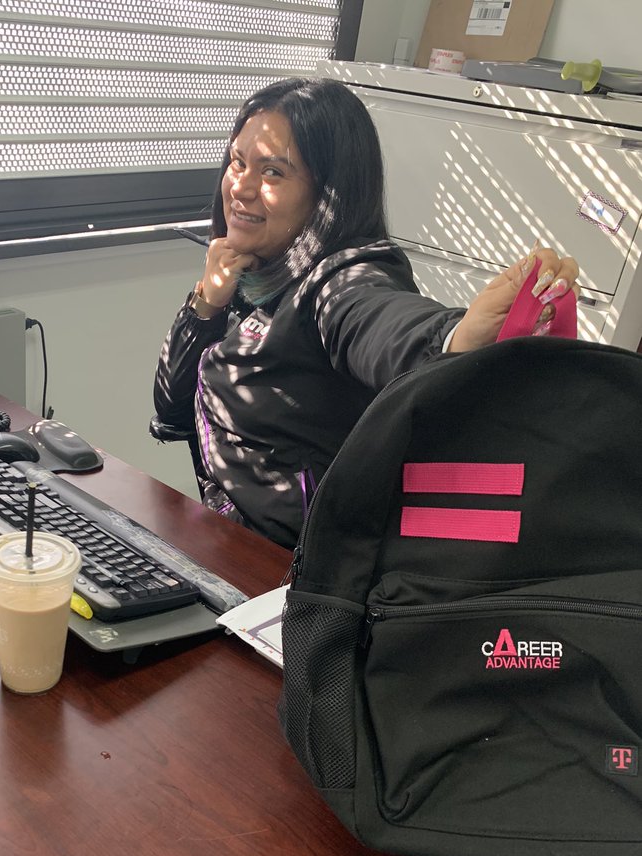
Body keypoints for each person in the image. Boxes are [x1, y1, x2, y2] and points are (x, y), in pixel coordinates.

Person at [150, 77, 579, 550]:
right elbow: (170, 410)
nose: (242, 188)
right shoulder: (253, 271)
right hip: (224, 538)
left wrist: (455, 336)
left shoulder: (340, 278)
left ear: (327, 195)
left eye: (273, 172)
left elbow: (378, 319)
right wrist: (207, 303)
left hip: (289, 570)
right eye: (238, 162)